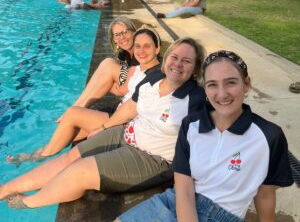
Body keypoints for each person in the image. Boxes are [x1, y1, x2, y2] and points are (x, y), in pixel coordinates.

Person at [22, 50, 300, 222]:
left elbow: (265, 191)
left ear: (246, 85)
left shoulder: (267, 136)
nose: (222, 93)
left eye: (231, 82)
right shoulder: (193, 125)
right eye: (213, 84)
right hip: (172, 205)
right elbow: (183, 192)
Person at [1, 38, 206, 209]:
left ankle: (30, 201)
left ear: (196, 69)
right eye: (175, 57)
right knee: (70, 157)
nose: (178, 64)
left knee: (79, 171)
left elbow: (208, 141)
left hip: (151, 158)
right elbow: (128, 108)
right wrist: (103, 128)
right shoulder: (152, 79)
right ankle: (7, 188)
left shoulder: (196, 100)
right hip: (126, 132)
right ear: (166, 57)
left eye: (186, 61)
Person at [6, 27, 162, 164]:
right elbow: (123, 88)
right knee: (66, 135)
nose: (121, 37)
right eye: (117, 35)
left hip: (123, 122)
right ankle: (35, 156)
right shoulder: (131, 61)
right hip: (121, 112)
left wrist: (103, 127)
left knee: (74, 113)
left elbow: (130, 103)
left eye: (124, 32)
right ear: (113, 40)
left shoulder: (149, 72)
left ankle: (41, 155)